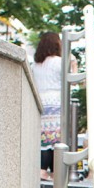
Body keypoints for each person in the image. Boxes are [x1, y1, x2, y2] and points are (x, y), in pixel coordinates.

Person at [31, 32, 63, 180]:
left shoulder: (35, 65)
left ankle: (42, 169)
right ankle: (53, 171)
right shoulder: (58, 62)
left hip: (40, 102)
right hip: (56, 102)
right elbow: (72, 81)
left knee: (44, 138)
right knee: (56, 138)